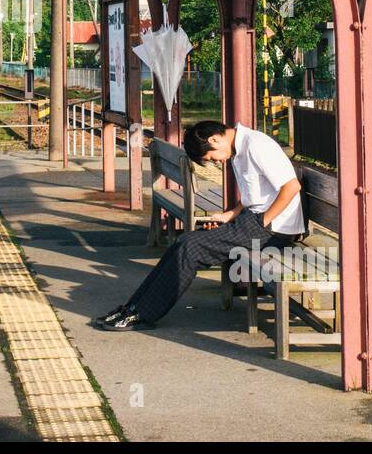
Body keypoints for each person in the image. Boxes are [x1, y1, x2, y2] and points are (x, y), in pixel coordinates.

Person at [97, 120, 304, 331]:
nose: (215, 162)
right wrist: (230, 215)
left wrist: (262, 222)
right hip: (256, 220)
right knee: (183, 241)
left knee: (191, 248)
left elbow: (291, 187)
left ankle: (144, 314)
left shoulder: (257, 145)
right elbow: (257, 193)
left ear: (214, 139)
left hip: (274, 229)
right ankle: (134, 307)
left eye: (211, 157)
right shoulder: (240, 149)